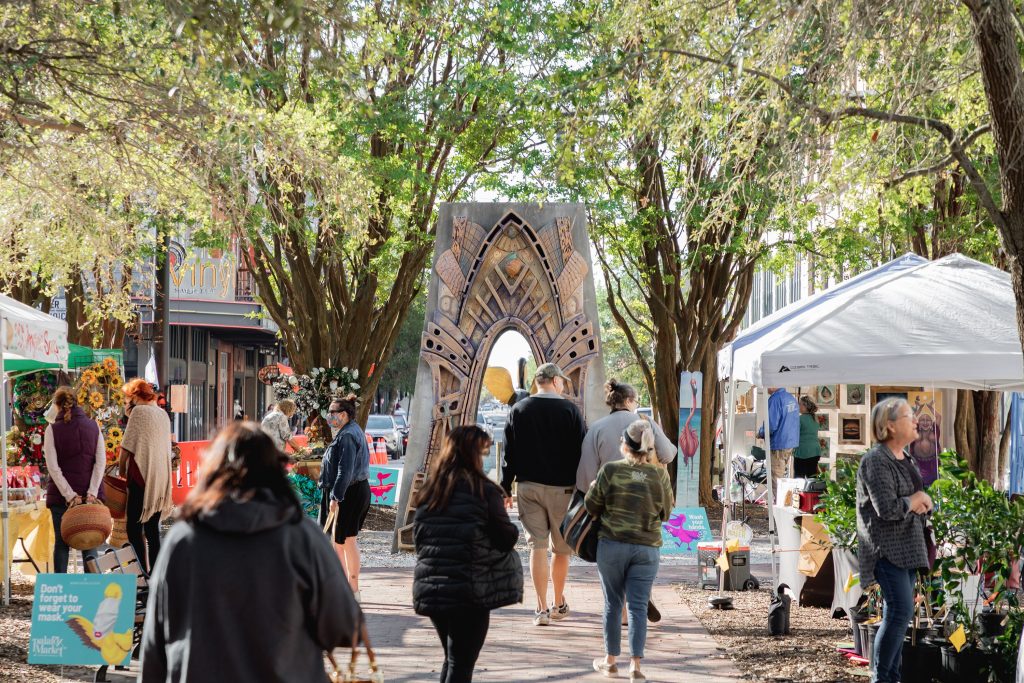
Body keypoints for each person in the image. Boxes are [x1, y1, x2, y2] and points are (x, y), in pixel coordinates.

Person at [139, 422, 362, 682]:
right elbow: (344, 626)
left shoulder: (184, 538)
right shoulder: (302, 536)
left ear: (213, 469)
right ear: (276, 470)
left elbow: (156, 636)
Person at [413, 426, 523, 683]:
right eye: (483, 451)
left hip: (432, 586)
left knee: (452, 659)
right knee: (461, 663)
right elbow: (506, 538)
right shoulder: (484, 490)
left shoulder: (431, 490)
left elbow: (418, 538)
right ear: (473, 454)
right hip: (469, 588)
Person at [577, 379, 675, 623]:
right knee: (642, 555)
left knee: (612, 561)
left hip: (610, 507)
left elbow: (585, 475)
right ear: (630, 401)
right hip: (644, 505)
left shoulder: (596, 428)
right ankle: (641, 597)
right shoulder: (644, 423)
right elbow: (668, 454)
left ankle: (619, 613)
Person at [585, 420, 674, 682]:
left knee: (613, 604)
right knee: (637, 607)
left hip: (612, 545)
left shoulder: (610, 471)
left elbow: (592, 507)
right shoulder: (660, 475)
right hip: (647, 549)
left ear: (624, 444)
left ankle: (610, 661)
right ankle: (635, 666)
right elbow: (666, 514)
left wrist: (593, 490)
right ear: (648, 449)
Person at [501, 362, 587, 626]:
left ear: (538, 382)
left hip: (528, 488)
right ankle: (558, 602)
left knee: (537, 546)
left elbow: (509, 454)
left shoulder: (519, 410)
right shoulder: (570, 410)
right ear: (555, 381)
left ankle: (540, 609)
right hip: (563, 489)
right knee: (561, 549)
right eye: (561, 380)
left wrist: (505, 488)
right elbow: (581, 451)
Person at [857, 398, 932, 683]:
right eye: (908, 416)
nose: (915, 420)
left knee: (900, 615)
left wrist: (924, 503)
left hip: (909, 550)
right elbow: (886, 508)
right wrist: (915, 500)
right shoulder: (876, 460)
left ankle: (891, 677)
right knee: (899, 612)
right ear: (889, 425)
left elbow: (916, 500)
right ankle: (882, 678)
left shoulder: (905, 458)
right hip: (887, 552)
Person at [42, 387, 106, 573]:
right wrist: (92, 493)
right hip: (89, 497)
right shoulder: (94, 426)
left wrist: (70, 496)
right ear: (77, 402)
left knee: (61, 546)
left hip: (62, 498)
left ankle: (61, 592)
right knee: (89, 543)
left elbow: (53, 467)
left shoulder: (52, 430)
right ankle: (92, 591)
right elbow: (100, 462)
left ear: (57, 405)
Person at [119, 378, 174, 572]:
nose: (127, 402)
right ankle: (156, 574)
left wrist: (120, 469)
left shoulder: (139, 412)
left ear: (135, 396)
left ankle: (141, 571)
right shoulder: (162, 415)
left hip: (141, 477)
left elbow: (127, 446)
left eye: (128, 398)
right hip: (159, 480)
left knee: (133, 529)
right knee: (152, 530)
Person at [319, 394, 371, 600]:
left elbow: (345, 470)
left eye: (332, 412)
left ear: (344, 414)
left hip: (349, 494)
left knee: (346, 541)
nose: (329, 416)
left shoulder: (348, 435)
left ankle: (352, 589)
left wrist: (335, 497)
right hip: (351, 492)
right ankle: (346, 588)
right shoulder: (348, 432)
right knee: (340, 542)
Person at [757, 386, 800, 495]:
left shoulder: (775, 399)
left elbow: (770, 425)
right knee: (783, 477)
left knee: (776, 478)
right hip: (790, 442)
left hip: (779, 443)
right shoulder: (791, 398)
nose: (764, 387)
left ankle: (778, 507)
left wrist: (761, 433)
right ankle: (783, 503)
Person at [793, 396, 822, 478]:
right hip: (815, 451)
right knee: (812, 478)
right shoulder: (815, 418)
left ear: (806, 406)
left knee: (799, 478)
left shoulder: (800, 419)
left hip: (803, 451)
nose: (798, 406)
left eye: (800, 404)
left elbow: (794, 434)